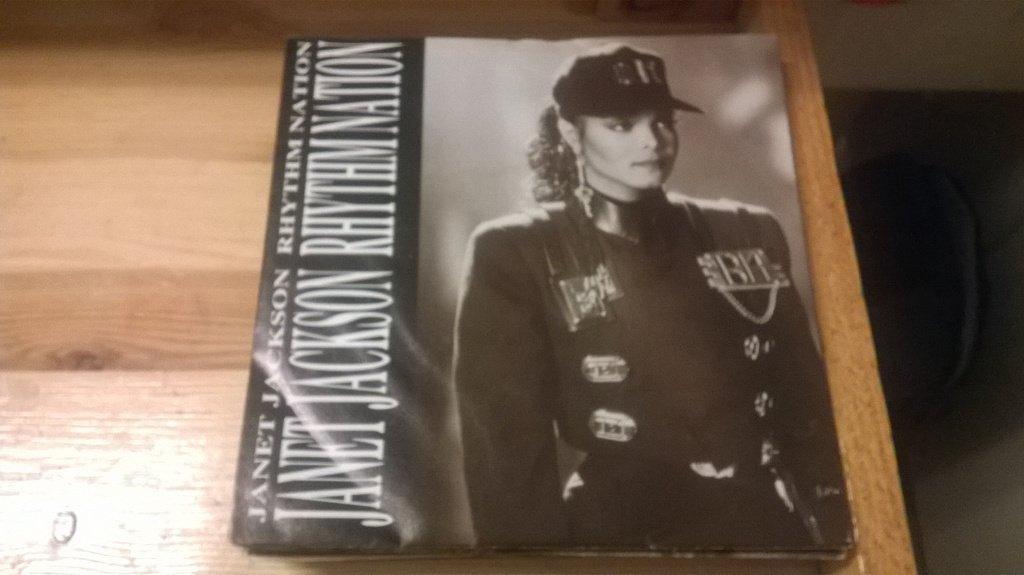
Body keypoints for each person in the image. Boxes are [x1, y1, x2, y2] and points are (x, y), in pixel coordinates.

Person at [453, 44, 851, 551]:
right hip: (620, 533)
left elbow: (805, 393)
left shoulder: (744, 231)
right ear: (572, 133)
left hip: (762, 520)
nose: (652, 141)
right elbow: (506, 447)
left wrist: (835, 516)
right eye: (621, 125)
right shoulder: (518, 251)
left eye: (663, 121)